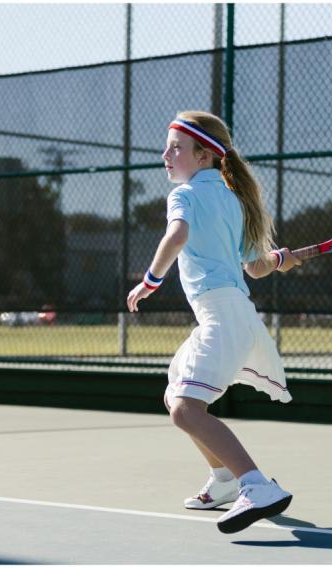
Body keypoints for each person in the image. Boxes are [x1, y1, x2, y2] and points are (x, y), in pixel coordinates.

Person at [126, 111, 302, 534]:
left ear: (203, 155)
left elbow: (177, 235)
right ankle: (224, 481)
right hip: (230, 316)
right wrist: (281, 259)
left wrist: (150, 281)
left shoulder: (184, 195)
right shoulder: (232, 198)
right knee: (175, 397)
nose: (166, 154)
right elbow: (256, 267)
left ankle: (256, 484)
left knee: (187, 410)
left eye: (176, 148)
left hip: (222, 316)